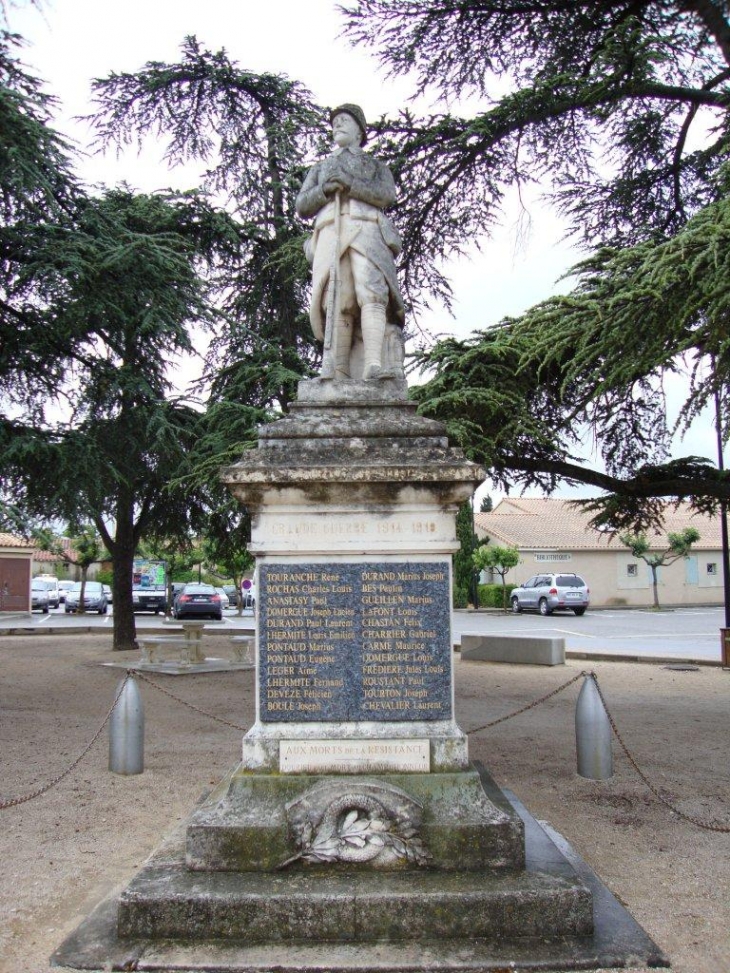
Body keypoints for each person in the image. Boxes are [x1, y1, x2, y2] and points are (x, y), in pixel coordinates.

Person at [296, 104, 405, 382]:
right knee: (337, 299)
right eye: (334, 122)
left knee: (371, 293)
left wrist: (350, 183)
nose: (337, 126)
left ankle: (373, 364)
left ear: (360, 130)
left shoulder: (375, 165)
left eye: (345, 121)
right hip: (331, 232)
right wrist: (323, 190)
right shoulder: (321, 167)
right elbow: (302, 205)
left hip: (367, 229)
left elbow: (386, 195)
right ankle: (338, 369)